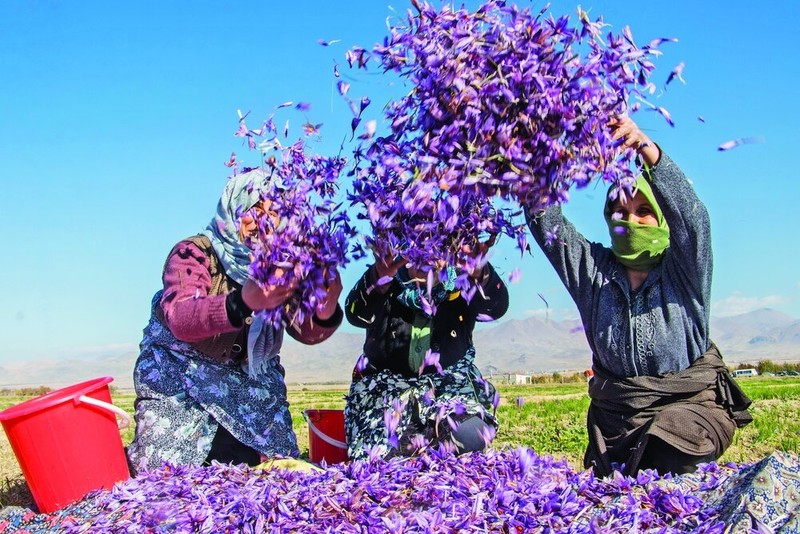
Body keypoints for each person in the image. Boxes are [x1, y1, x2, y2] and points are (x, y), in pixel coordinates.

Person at [525, 116, 752, 476]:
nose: (629, 220)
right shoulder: (591, 271)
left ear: (662, 219)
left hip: (688, 411)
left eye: (643, 211)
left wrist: (645, 149)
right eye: (619, 210)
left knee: (670, 446)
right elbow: (545, 221)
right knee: (620, 473)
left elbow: (694, 220)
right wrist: (548, 150)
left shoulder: (684, 270)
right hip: (617, 423)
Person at [127, 168, 344, 475]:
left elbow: (306, 331)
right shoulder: (194, 252)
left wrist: (326, 304)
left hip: (249, 384)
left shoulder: (281, 265)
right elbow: (180, 317)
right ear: (233, 208)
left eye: (274, 213)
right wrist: (244, 301)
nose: (264, 222)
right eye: (254, 210)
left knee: (277, 472)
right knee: (163, 474)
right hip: (181, 375)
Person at [343, 244, 508, 461]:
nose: (425, 260)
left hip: (448, 389)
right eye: (415, 250)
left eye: (435, 249)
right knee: (377, 455)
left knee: (470, 434)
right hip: (386, 395)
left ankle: (423, 442)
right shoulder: (386, 281)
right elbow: (356, 314)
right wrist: (379, 277)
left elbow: (496, 307)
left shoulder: (461, 283)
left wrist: (479, 272)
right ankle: (414, 442)